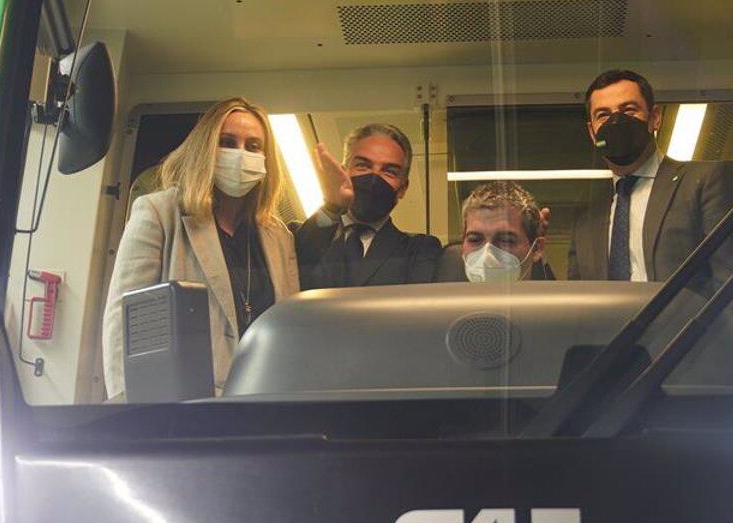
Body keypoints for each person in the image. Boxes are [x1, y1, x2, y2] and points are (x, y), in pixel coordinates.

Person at [101, 97, 301, 401]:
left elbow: (288, 330)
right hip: (182, 405)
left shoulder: (278, 236)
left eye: (253, 146)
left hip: (261, 402)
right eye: (228, 142)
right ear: (205, 148)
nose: (240, 154)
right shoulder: (159, 212)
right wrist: (129, 407)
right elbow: (123, 320)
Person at [565, 69, 733, 342]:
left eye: (629, 110)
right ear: (592, 131)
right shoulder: (587, 218)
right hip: (611, 368)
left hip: (688, 363)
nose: (616, 121)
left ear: (654, 117)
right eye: (603, 115)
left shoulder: (703, 182)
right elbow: (575, 312)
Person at [293, 122, 442, 288]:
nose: (373, 178)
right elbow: (295, 265)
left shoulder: (419, 250)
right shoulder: (300, 236)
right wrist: (331, 207)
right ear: (344, 172)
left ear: (402, 189)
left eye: (389, 171)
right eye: (363, 166)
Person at [438, 180, 556, 282]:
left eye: (505, 240)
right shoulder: (440, 306)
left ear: (536, 248)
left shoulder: (557, 307)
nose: (487, 255)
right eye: (475, 239)